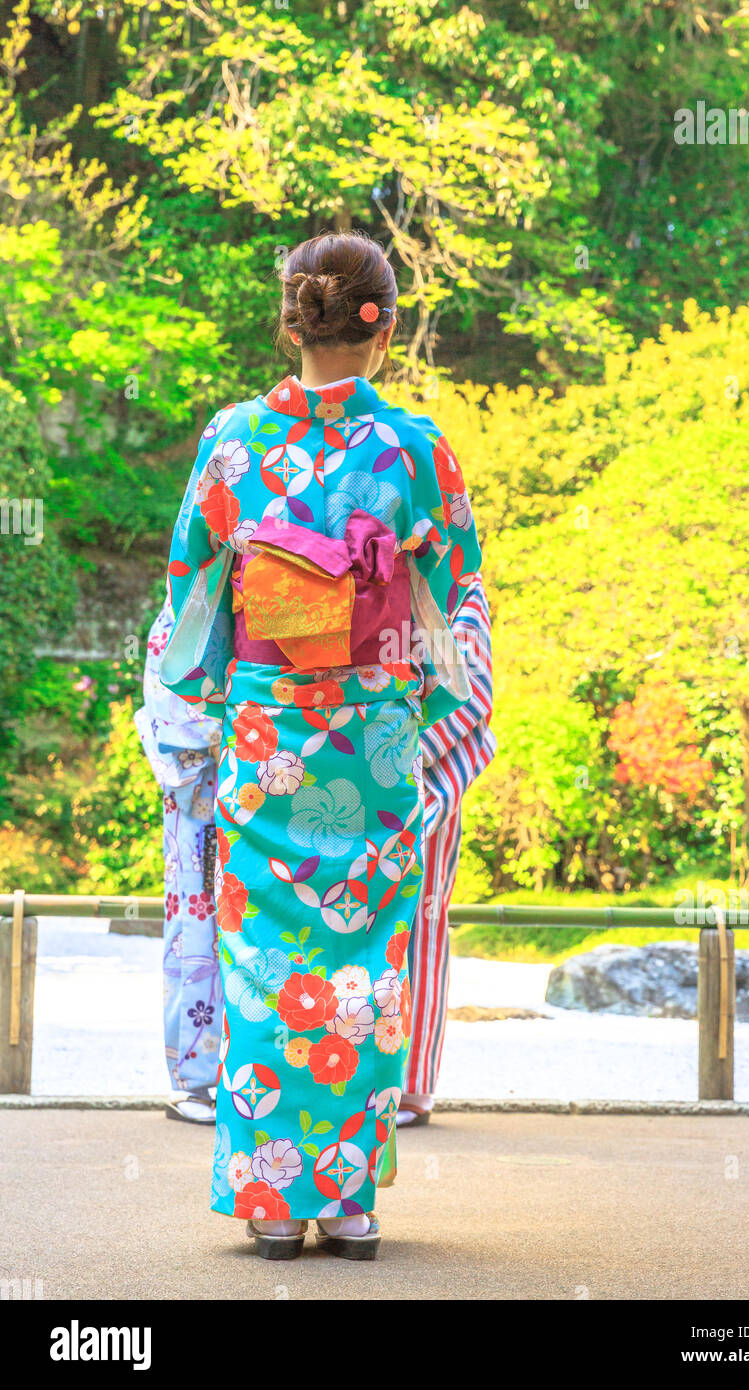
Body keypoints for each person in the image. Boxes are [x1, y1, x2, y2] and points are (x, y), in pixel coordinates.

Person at [158, 230, 483, 1261]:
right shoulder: (416, 449)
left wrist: (210, 702)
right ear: (380, 329)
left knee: (262, 960)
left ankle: (270, 1202)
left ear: (292, 320)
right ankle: (348, 1204)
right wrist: (428, 710)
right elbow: (456, 598)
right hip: (374, 738)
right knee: (364, 964)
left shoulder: (232, 442)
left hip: (269, 732)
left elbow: (190, 594)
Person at [399, 577, 495, 1125]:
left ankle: (411, 1084)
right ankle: (363, 1078)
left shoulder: (453, 588)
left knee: (424, 921)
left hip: (424, 770)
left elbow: (465, 693)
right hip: (356, 757)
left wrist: (400, 753)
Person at [135, 603, 222, 1123]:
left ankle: (245, 1071)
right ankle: (193, 1078)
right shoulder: (184, 606)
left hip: (261, 774)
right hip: (202, 791)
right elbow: (164, 697)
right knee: (197, 928)